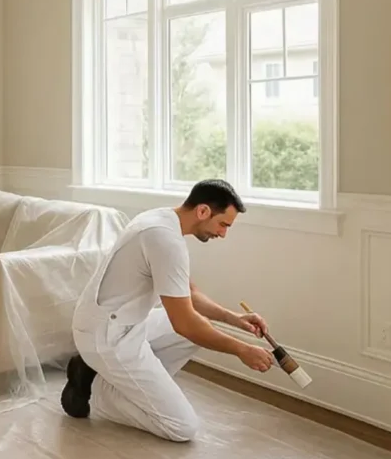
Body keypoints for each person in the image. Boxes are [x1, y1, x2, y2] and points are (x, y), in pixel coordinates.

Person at [61, 179, 275, 442]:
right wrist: (241, 350)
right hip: (107, 334)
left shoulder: (161, 219)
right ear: (203, 211)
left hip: (121, 321)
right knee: (182, 427)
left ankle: (116, 377)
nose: (223, 234)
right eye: (223, 224)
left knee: (203, 325)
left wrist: (235, 319)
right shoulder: (164, 239)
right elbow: (183, 323)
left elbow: (190, 295)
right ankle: (95, 392)